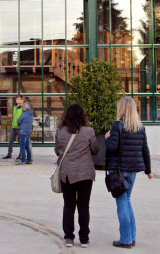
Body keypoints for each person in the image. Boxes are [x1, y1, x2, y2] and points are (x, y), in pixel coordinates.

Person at [105, 96, 154, 249]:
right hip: (132, 170)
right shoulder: (140, 127)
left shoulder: (117, 125)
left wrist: (107, 138)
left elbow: (111, 148)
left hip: (119, 170)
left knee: (122, 204)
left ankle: (126, 240)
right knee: (127, 201)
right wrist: (148, 170)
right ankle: (131, 237)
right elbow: (145, 149)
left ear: (121, 108)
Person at [55, 103, 99, 248]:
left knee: (68, 206)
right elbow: (95, 150)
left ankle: (69, 237)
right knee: (84, 206)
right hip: (85, 174)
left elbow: (57, 151)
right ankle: (84, 238)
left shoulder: (60, 131)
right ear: (82, 116)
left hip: (67, 173)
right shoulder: (89, 131)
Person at [4, 95, 24, 160]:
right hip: (14, 127)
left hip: (20, 127)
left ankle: (21, 155)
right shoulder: (15, 107)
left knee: (21, 142)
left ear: (22, 100)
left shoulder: (23, 108)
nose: (17, 100)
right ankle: (9, 154)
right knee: (10, 141)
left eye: (18, 99)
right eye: (16, 99)